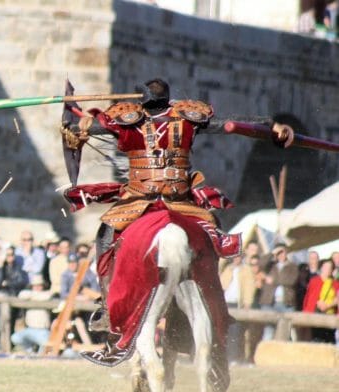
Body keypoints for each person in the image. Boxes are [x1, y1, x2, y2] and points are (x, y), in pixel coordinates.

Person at [62, 78, 294, 335]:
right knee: (212, 231)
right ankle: (211, 299)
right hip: (181, 201)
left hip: (139, 200)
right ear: (168, 98)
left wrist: (74, 126)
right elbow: (233, 123)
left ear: (143, 99)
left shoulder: (126, 119)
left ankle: (108, 307)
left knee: (105, 235)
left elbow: (87, 129)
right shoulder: (188, 117)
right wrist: (272, 125)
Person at [258, 243, 299, 341]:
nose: (281, 254)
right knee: (268, 331)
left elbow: (291, 280)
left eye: (283, 252)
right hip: (269, 303)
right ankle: (266, 354)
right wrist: (272, 253)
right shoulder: (270, 266)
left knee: (287, 332)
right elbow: (260, 264)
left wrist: (272, 280)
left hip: (286, 303)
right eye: (279, 252)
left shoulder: (292, 266)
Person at [10, 275, 53, 354]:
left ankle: (39, 357)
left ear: (42, 286)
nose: (37, 287)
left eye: (39, 285)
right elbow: (21, 294)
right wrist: (36, 295)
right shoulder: (28, 294)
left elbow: (48, 296)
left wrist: (33, 296)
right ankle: (31, 352)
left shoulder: (45, 295)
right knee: (15, 338)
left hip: (42, 330)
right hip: (30, 329)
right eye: (35, 285)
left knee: (46, 344)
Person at [302, 259, 339, 343]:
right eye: (325, 267)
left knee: (329, 339)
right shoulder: (314, 281)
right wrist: (317, 303)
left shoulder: (336, 284)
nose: (327, 269)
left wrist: (328, 305)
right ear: (321, 267)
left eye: (330, 268)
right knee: (316, 339)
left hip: (330, 314)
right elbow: (309, 298)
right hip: (316, 313)